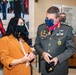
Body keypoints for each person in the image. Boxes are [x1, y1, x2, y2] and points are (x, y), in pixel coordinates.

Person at [34, 6, 76, 75]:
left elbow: (71, 49)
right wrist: (43, 53)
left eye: (51, 19)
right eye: (46, 18)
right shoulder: (41, 28)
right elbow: (37, 45)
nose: (48, 21)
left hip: (59, 68)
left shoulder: (67, 29)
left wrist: (58, 58)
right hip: (45, 68)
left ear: (58, 19)